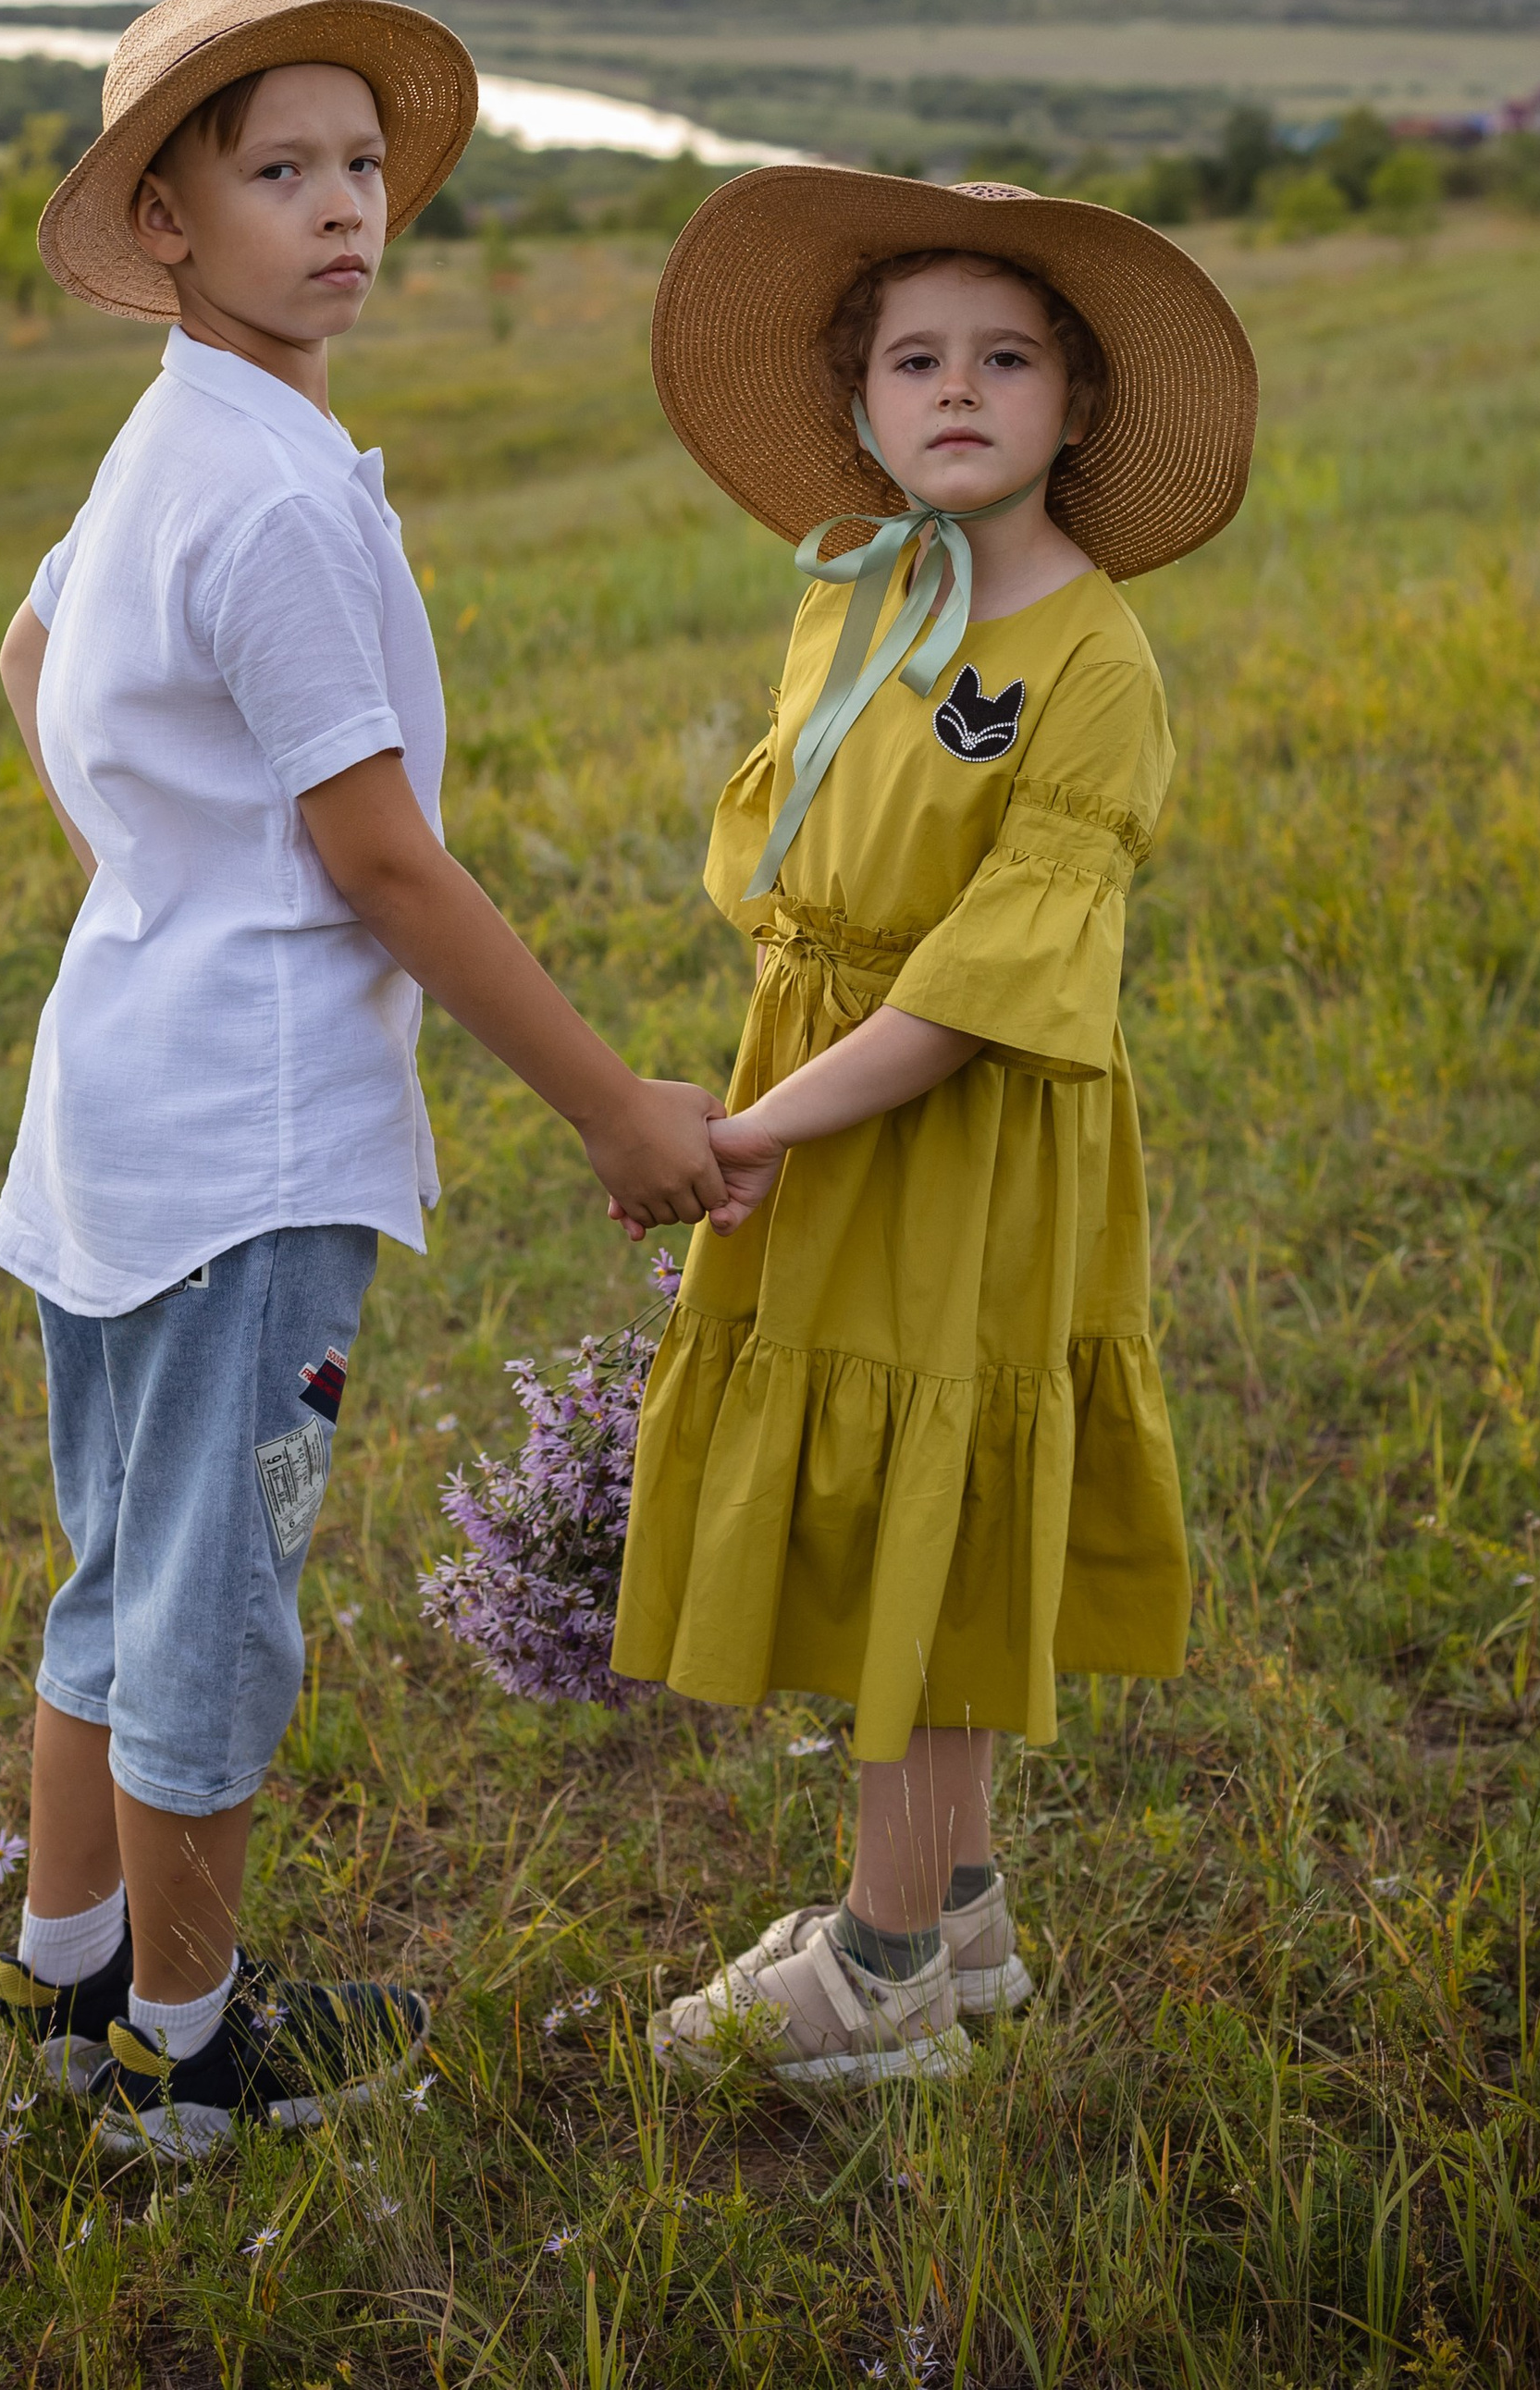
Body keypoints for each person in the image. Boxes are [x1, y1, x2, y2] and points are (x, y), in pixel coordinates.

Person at [0, 0, 725, 2158]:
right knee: (207, 1619)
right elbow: (383, 862)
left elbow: (29, 653)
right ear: (171, 229)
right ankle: (182, 2074)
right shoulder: (277, 494)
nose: (341, 209)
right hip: (248, 1152)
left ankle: (65, 1994)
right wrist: (615, 1109)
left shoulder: (177, 443)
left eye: (360, 166)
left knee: (115, 1570)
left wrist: (148, 858)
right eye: (275, 170)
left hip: (116, 1103)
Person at [610, 166, 1256, 2086]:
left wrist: (757, 1133)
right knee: (885, 1493)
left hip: (948, 1123)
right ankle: (955, 1911)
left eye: (1006, 358)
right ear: (863, 401)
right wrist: (773, 1091)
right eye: (915, 358)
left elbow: (978, 988)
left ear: (1075, 408)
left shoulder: (1089, 658)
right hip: (826, 1085)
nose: (956, 389)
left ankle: (881, 1974)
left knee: (932, 1521)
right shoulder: (870, 588)